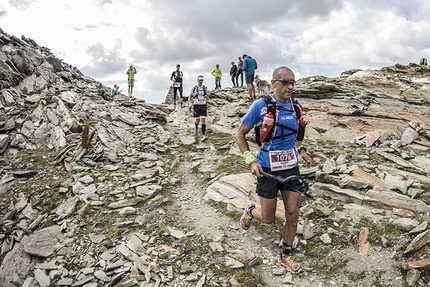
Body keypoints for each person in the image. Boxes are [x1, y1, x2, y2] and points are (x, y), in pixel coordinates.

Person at [235, 66, 312, 274]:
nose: (290, 86)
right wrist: (251, 160)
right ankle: (251, 211)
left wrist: (302, 150)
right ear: (273, 82)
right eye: (285, 82)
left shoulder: (296, 107)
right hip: (267, 169)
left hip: (291, 168)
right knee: (268, 219)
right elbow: (240, 135)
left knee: (293, 214)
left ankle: (285, 254)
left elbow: (297, 135)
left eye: (293, 82)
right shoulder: (260, 106)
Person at [189, 75, 209, 141]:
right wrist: (190, 103)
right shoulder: (194, 88)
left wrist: (207, 102)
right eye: (200, 80)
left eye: (202, 80)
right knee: (197, 121)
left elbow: (207, 95)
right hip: (196, 105)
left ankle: (203, 135)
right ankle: (196, 128)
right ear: (197, 80)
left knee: (203, 120)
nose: (201, 81)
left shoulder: (205, 88)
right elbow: (190, 96)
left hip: (203, 105)